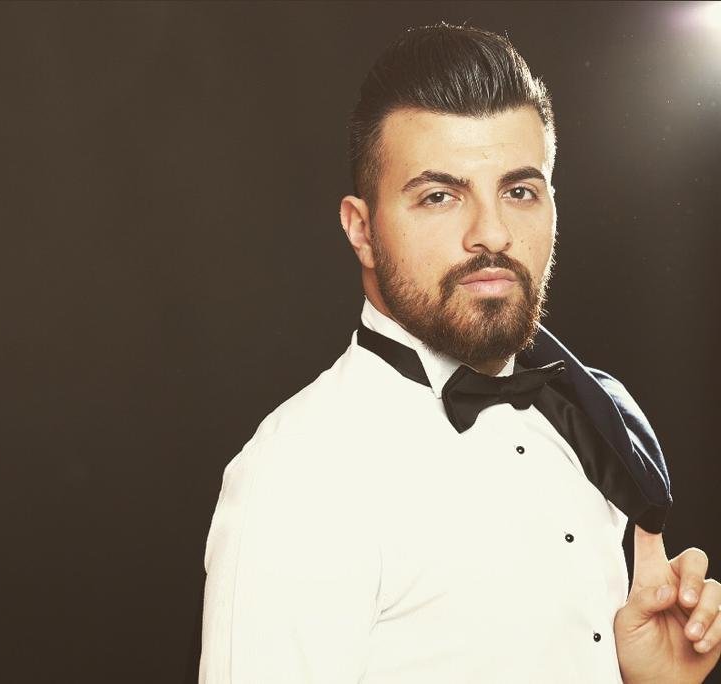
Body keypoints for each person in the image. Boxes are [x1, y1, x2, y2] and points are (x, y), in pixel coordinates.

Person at [197, 22, 720, 684]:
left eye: (519, 191)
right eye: (440, 196)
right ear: (362, 229)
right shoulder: (299, 476)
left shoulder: (586, 422)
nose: (492, 234)